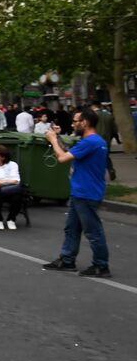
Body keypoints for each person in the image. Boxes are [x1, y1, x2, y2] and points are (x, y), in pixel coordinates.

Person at [44, 108, 111, 277]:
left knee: (93, 232)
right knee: (71, 228)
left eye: (75, 121)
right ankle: (67, 260)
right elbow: (69, 152)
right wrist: (58, 137)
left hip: (86, 193)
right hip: (81, 191)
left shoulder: (91, 142)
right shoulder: (93, 141)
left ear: (85, 122)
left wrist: (52, 140)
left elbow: (62, 158)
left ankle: (101, 266)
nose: (73, 124)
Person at [90, 100, 118, 182]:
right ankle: (111, 169)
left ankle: (97, 175)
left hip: (93, 140)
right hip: (106, 140)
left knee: (94, 157)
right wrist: (110, 137)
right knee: (105, 156)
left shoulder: (91, 116)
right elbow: (114, 130)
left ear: (93, 106)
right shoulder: (109, 116)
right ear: (100, 106)